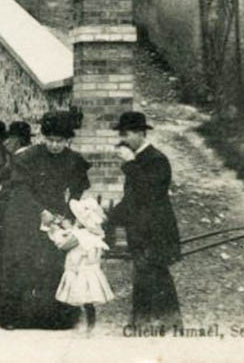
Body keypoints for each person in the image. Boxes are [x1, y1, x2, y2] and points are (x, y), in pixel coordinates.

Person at [0, 111, 91, 330]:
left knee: (51, 262)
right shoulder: (28, 157)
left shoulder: (74, 160)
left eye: (59, 141)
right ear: (44, 138)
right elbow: (20, 189)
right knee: (20, 260)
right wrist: (40, 211)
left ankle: (51, 317)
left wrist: (70, 214)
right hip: (24, 212)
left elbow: (77, 191)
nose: (54, 145)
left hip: (55, 215)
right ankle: (12, 315)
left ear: (67, 140)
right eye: (50, 140)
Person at [105, 110, 182, 326]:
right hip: (141, 231)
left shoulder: (157, 159)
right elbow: (132, 200)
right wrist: (109, 217)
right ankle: (153, 322)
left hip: (156, 231)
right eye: (121, 134)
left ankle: (157, 323)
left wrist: (130, 164)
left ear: (140, 134)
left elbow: (149, 194)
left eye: (126, 134)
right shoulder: (139, 160)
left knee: (154, 276)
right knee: (147, 276)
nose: (122, 139)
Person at [52, 196, 115, 335]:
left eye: (76, 218)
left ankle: (81, 325)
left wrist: (56, 231)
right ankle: (89, 325)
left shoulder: (79, 235)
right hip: (87, 269)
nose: (74, 220)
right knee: (87, 301)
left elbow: (63, 245)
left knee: (77, 296)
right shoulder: (92, 235)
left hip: (79, 270)